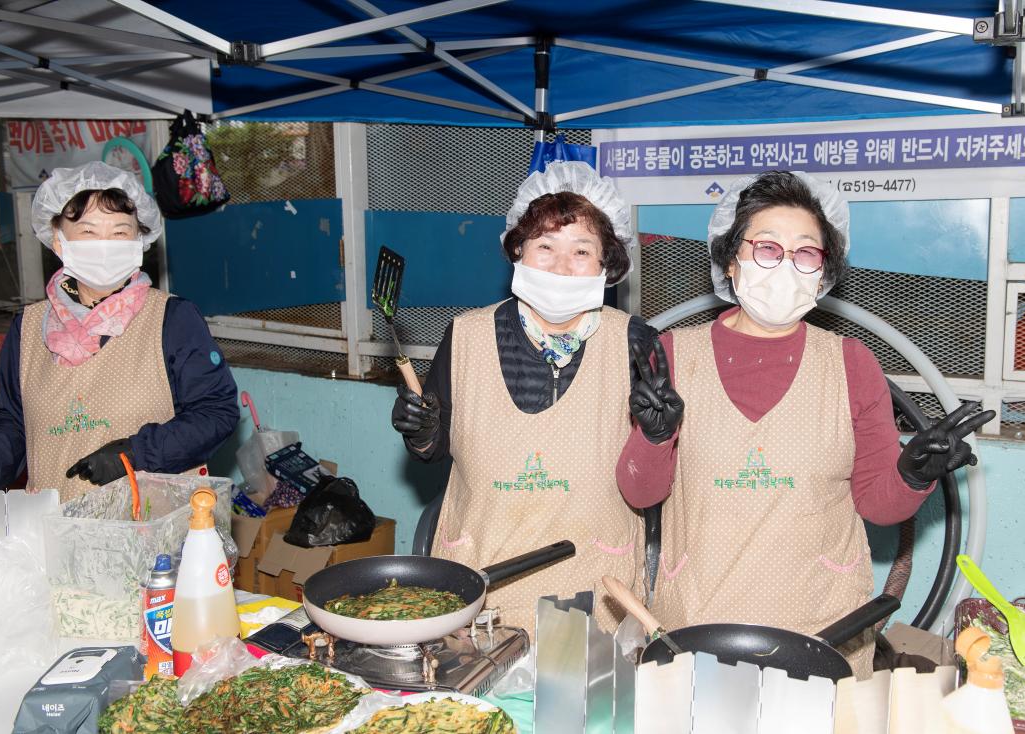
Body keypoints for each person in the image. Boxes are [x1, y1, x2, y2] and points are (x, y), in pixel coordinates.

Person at [617, 170, 993, 678]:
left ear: (824, 271)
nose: (786, 267)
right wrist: (654, 437)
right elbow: (641, 494)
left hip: (822, 625)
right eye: (767, 248)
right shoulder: (672, 353)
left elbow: (879, 507)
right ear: (732, 259)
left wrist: (913, 476)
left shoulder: (851, 362)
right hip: (700, 618)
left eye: (805, 253)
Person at [391, 161, 661, 635]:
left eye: (581, 250)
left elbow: (652, 476)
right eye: (545, 247)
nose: (561, 266)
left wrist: (661, 436)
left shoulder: (635, 342)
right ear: (517, 251)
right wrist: (421, 431)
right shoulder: (466, 335)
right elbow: (434, 452)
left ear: (606, 263)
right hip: (485, 577)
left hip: (593, 584)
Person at [0, 161, 239, 502]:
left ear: (139, 240)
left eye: (120, 232)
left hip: (149, 527)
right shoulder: (29, 327)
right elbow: (13, 421)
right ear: (59, 240)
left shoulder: (171, 320)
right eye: (89, 231)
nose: (105, 245)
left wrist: (136, 454)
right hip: (54, 528)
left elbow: (216, 412)